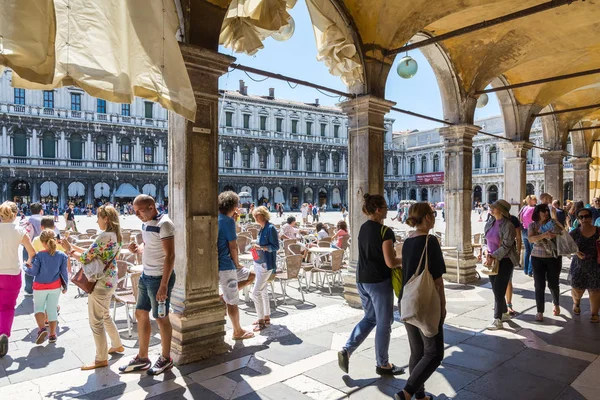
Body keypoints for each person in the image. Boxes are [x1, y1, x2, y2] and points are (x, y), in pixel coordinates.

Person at [338, 194, 403, 376]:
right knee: (384, 323)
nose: (387, 208)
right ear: (378, 210)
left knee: (370, 318)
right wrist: (406, 259)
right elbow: (390, 262)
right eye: (385, 206)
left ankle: (347, 349)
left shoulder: (363, 228)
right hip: (378, 282)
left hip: (362, 280)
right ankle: (383, 364)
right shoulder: (385, 232)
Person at [394, 202, 446, 400]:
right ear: (426, 217)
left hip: (407, 300)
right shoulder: (430, 241)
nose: (434, 216)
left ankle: (420, 394)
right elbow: (437, 280)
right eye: (432, 214)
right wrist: (443, 305)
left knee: (417, 351)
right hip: (425, 302)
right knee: (434, 353)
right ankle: (406, 393)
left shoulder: (408, 241)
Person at [62, 205, 124, 370]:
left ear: (106, 219)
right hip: (111, 279)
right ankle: (117, 344)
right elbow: (92, 253)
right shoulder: (117, 235)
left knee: (96, 321)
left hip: (100, 282)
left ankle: (101, 358)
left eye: (98, 217)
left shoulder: (104, 236)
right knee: (105, 315)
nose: (96, 221)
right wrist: (72, 247)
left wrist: (69, 251)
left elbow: (85, 257)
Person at [119, 195, 176, 375]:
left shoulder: (165, 224)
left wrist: (164, 285)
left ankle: (166, 358)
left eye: (139, 211)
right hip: (146, 275)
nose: (136, 214)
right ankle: (143, 358)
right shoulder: (146, 223)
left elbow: (170, 256)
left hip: (159, 278)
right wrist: (138, 249)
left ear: (152, 207)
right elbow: (149, 244)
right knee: (140, 313)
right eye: (134, 211)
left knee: (161, 317)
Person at [217, 191, 256, 340]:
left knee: (251, 275)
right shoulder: (228, 222)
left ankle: (223, 296)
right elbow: (233, 246)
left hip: (217, 265)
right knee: (233, 302)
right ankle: (237, 331)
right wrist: (237, 263)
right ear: (234, 206)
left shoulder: (218, 218)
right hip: (226, 265)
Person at [0, 202, 36, 358]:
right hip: (12, 274)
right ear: (15, 215)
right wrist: (27, 263)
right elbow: (32, 253)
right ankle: (4, 333)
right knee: (7, 307)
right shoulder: (20, 231)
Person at [24, 230, 68, 345]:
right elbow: (64, 272)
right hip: (55, 286)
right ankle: (52, 335)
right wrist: (65, 286)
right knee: (52, 309)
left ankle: (42, 329)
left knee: (39, 308)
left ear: (43, 242)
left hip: (39, 286)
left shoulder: (39, 255)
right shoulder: (62, 255)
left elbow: (33, 272)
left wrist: (26, 267)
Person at [483, 200, 519, 330]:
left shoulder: (508, 225)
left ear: (502, 210)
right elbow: (485, 240)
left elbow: (507, 246)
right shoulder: (490, 222)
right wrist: (486, 251)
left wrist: (493, 255)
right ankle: (504, 313)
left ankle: (497, 319)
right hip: (492, 259)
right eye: (491, 207)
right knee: (495, 289)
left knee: (499, 289)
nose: (491, 209)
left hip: (505, 260)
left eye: (494, 208)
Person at [528, 203, 563, 322]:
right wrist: (544, 235)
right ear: (537, 213)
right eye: (543, 211)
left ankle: (556, 303)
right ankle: (540, 311)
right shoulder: (533, 225)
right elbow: (531, 239)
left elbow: (561, 233)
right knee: (539, 284)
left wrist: (554, 229)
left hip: (553, 256)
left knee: (553, 283)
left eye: (547, 211)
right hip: (537, 257)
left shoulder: (553, 223)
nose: (546, 213)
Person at [569, 208, 600, 323]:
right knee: (577, 290)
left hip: (595, 265)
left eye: (586, 216)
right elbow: (566, 246)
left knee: (595, 290)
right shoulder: (574, 233)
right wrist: (576, 252)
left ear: (591, 218)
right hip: (579, 265)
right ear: (578, 219)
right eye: (581, 217)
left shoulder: (598, 231)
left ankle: (594, 313)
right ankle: (576, 303)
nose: (584, 219)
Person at [251, 206, 279, 331]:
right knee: (263, 291)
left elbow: (275, 246)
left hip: (266, 264)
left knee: (255, 293)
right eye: (254, 215)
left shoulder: (270, 228)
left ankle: (261, 321)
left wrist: (261, 248)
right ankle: (266, 316)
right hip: (258, 262)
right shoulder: (261, 229)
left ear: (264, 215)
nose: (256, 217)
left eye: (258, 215)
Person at [21, 202, 45, 296]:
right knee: (42, 268)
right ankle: (41, 287)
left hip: (27, 246)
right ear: (41, 211)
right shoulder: (44, 220)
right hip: (41, 246)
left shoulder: (26, 220)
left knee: (28, 267)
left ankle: (29, 288)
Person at [505, 210, 523, 317]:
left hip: (509, 253)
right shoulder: (493, 219)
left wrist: (518, 251)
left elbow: (518, 237)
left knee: (508, 279)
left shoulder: (513, 219)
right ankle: (499, 302)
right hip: (496, 254)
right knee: (497, 280)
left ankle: (508, 303)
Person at [519, 195, 537, 277]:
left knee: (527, 251)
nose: (536, 201)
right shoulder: (533, 209)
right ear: (530, 200)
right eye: (534, 199)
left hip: (524, 230)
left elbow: (521, 219)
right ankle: (530, 270)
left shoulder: (524, 208)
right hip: (531, 231)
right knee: (533, 251)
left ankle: (525, 269)